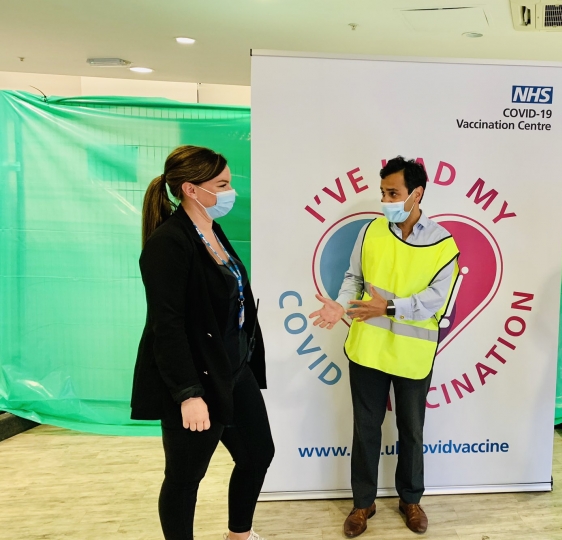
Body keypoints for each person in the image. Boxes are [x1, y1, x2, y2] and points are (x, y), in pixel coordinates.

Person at [310, 156, 460, 538]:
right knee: (366, 429)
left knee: (412, 430)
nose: (386, 200)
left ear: (417, 193)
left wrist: (389, 307)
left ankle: (411, 500)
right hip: (368, 350)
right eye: (383, 192)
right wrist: (340, 305)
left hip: (412, 356)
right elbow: (353, 278)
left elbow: (436, 300)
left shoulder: (444, 244)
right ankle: (363, 504)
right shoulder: (372, 231)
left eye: (393, 192)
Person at [131, 145, 275, 540]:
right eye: (223, 184)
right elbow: (167, 326)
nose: (231, 193)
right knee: (185, 476)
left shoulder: (212, 229)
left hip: (233, 369)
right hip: (197, 377)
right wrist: (188, 394)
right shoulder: (169, 243)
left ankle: (239, 536)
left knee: (257, 454)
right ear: (191, 189)